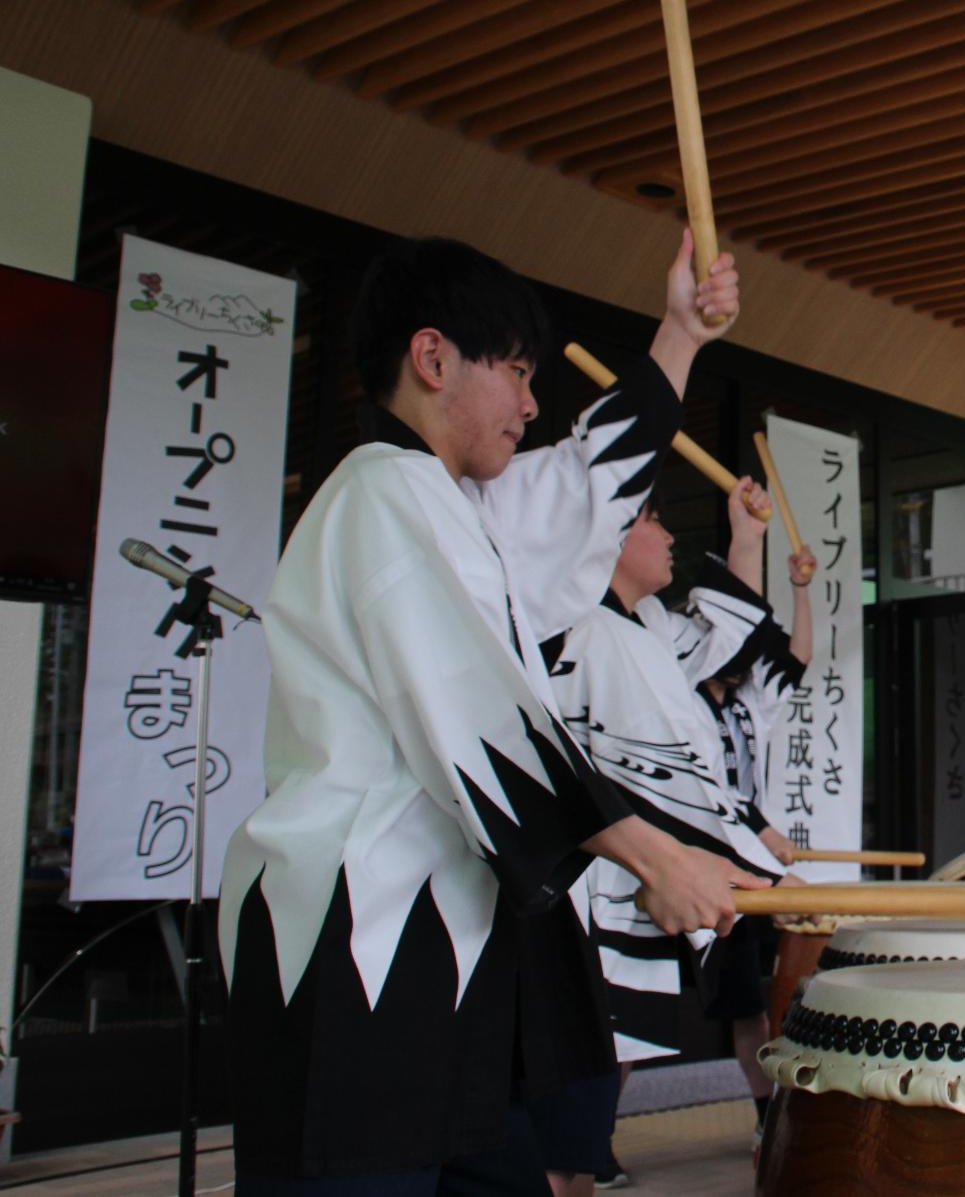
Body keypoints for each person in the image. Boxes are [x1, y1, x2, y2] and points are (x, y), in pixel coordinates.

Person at [218, 231, 770, 1193]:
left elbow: (584, 484)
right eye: (514, 372)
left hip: (447, 946)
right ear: (433, 359)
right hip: (357, 941)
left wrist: (681, 334)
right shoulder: (382, 494)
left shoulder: (453, 504)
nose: (530, 403)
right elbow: (487, 717)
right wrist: (659, 855)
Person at [545, 485, 810, 1188]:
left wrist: (745, 533)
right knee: (558, 1121)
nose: (667, 536)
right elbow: (659, 782)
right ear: (606, 534)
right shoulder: (573, 630)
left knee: (586, 1105)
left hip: (643, 885)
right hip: (581, 906)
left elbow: (726, 631)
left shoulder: (649, 628)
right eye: (651, 519)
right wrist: (757, 870)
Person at [684, 504, 817, 1153]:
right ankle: (594, 1134)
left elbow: (796, 656)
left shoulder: (747, 705)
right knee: (636, 1009)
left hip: (743, 879)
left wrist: (798, 589)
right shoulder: (673, 698)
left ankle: (766, 1111)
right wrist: (765, 837)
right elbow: (712, 797)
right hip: (686, 869)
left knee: (749, 1004)